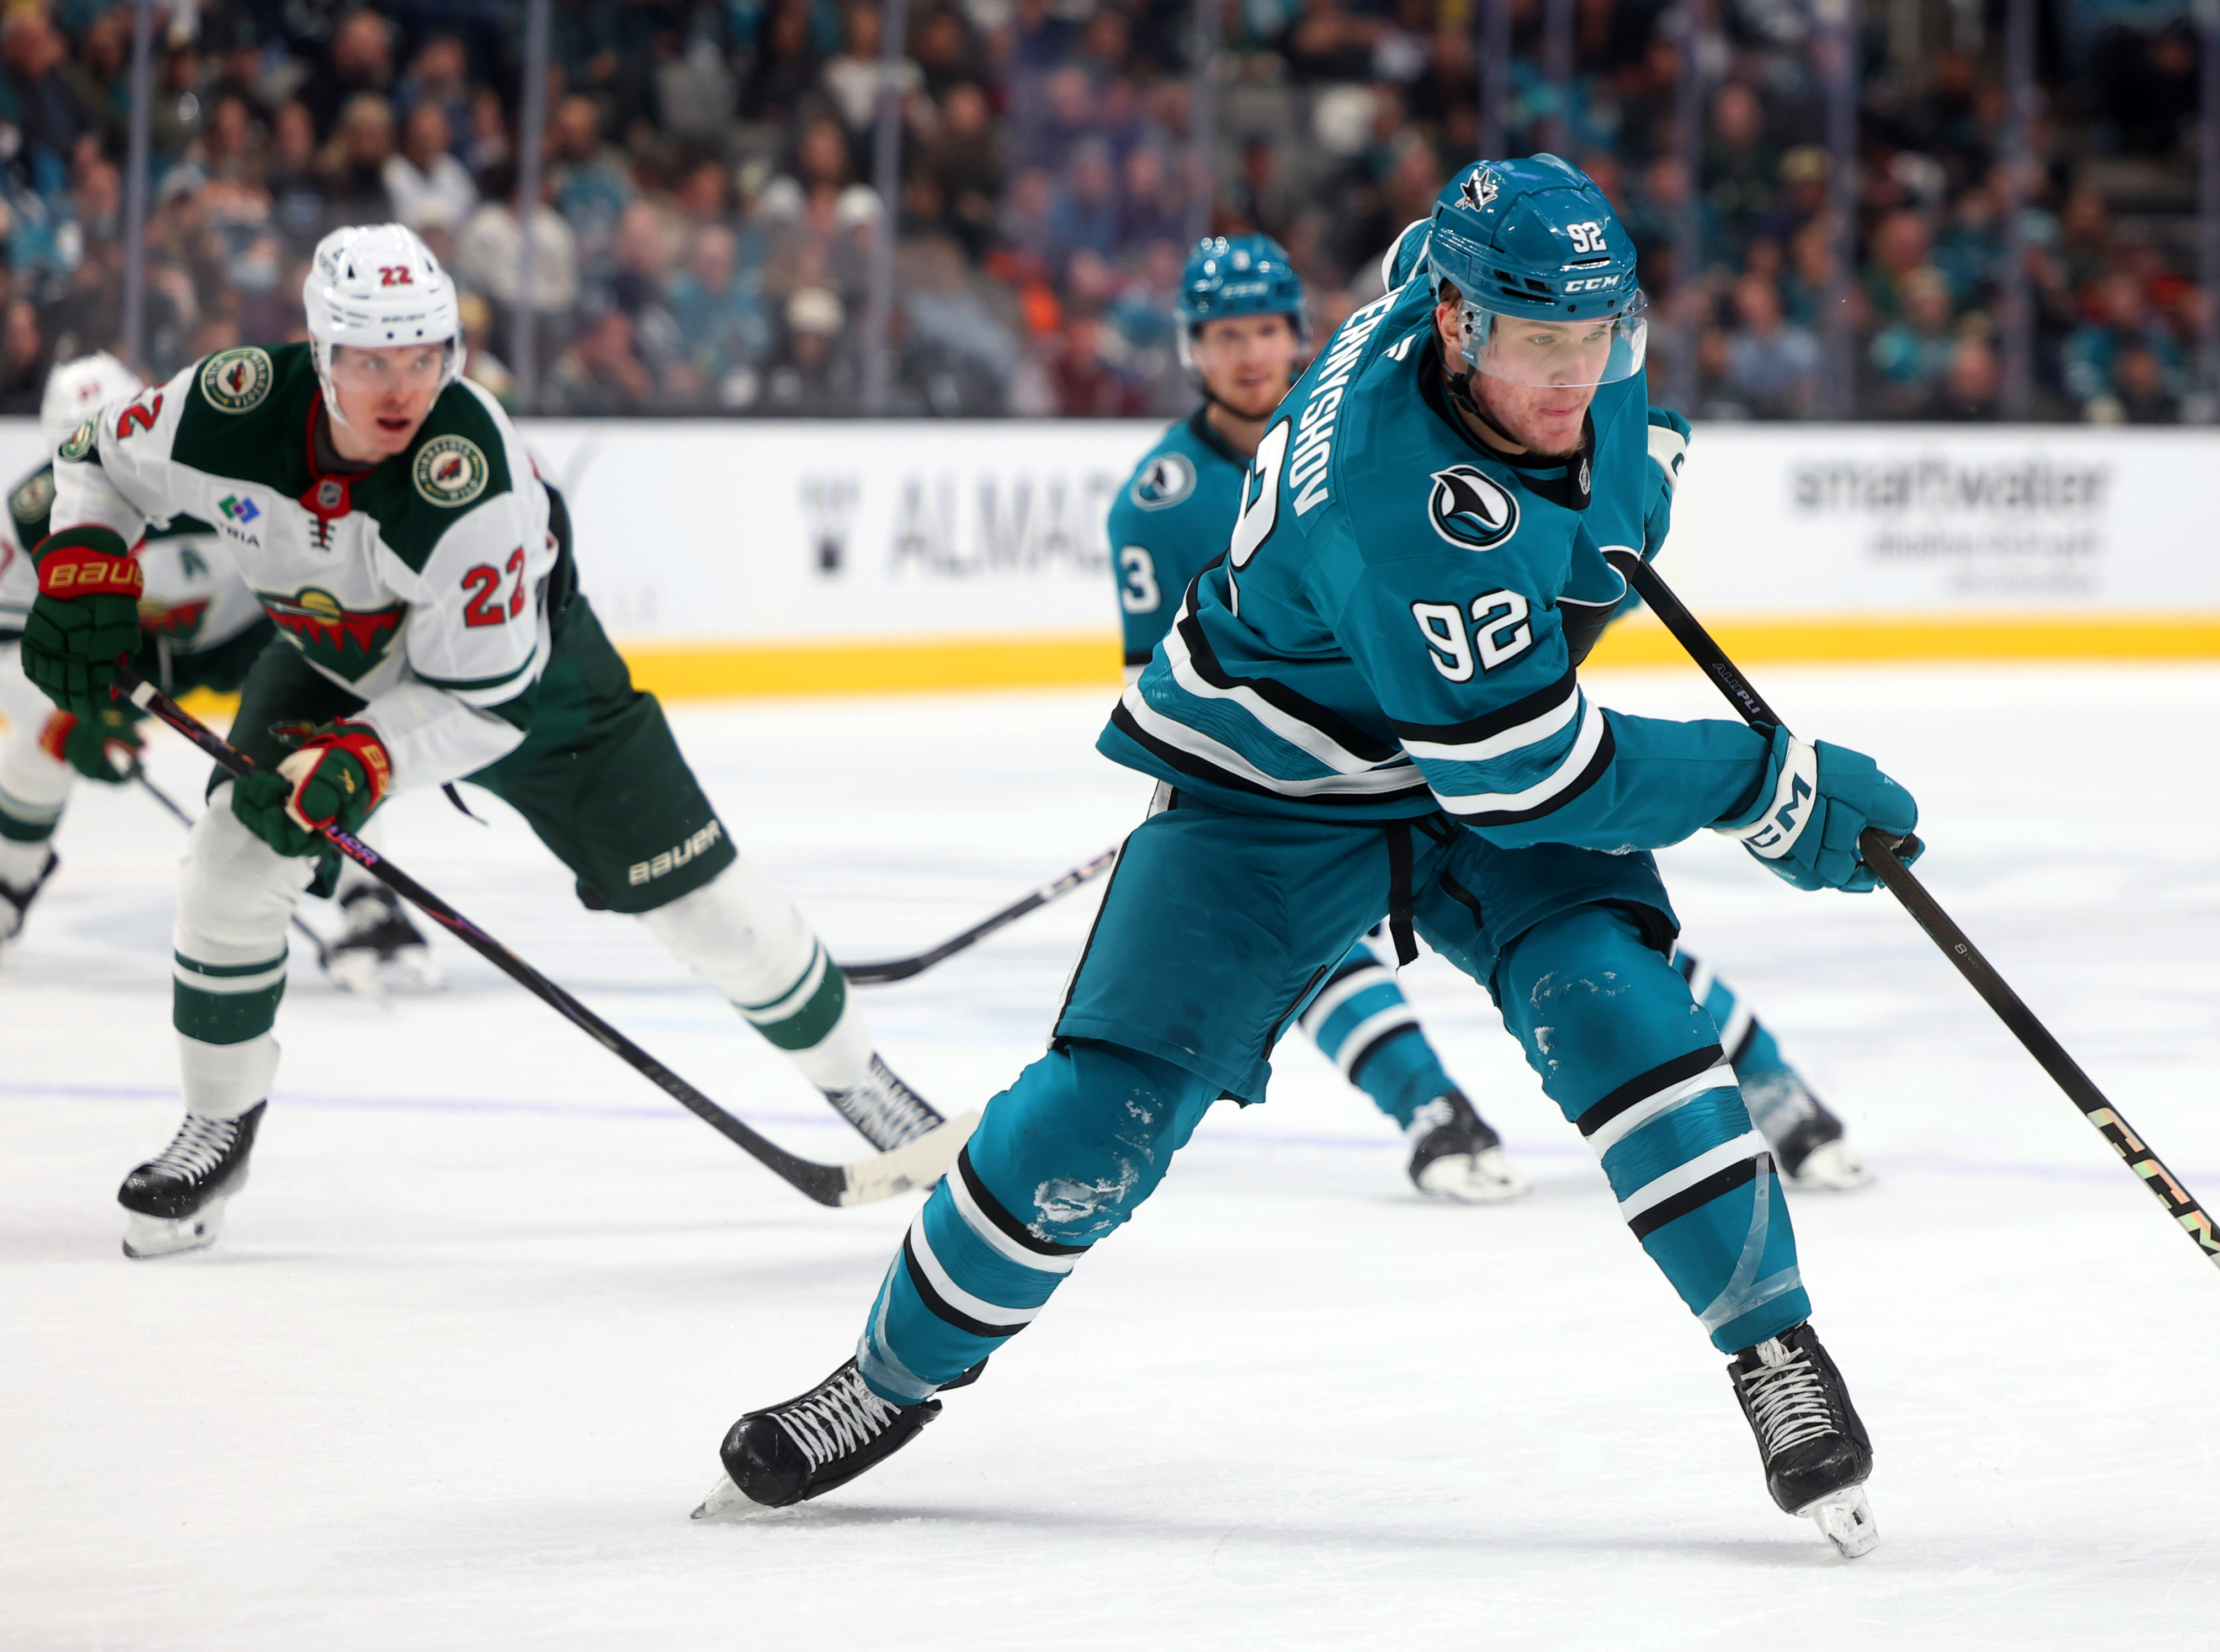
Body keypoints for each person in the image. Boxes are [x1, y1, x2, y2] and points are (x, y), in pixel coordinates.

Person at [703, 158, 1913, 1557]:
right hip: (1278, 786)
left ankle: (1771, 1347)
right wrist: (1769, 783)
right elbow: (1528, 775)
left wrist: (1616, 483)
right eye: (1537, 345)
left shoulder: (1465, 293)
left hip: (1472, 734)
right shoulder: (1397, 507)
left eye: (1599, 336)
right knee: (1098, 1115)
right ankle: (889, 1374)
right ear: (1456, 329)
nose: (1573, 376)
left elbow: (1513, 346)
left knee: (1620, 1006)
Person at [17, 224, 948, 1260]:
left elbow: (486, 705)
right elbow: (96, 457)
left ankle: (864, 1082)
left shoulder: (475, 484)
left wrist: (365, 760)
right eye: (372, 359)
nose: (401, 387)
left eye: (425, 356)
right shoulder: (237, 400)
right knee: (233, 858)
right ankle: (216, 1128)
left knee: (709, 909)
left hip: (536, 687)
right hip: (333, 654)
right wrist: (87, 560)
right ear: (320, 354)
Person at [1111, 234, 1525, 1202]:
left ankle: (1765, 1089)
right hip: (1290, 774)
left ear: (1299, 334)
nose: (1249, 352)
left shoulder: (1361, 428)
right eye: (1223, 333)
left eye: (1265, 327)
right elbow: (1166, 684)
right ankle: (1434, 1110)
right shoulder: (1157, 505)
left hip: (1428, 739)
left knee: (1564, 894)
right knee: (1290, 930)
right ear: (1191, 346)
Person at [2, 354, 442, 988]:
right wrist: (66, 724)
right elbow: (6, 645)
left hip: (260, 627)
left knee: (318, 745)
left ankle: (368, 898)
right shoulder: (31, 514)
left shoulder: (214, 464)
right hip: (129, 649)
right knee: (52, 729)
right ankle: (9, 882)